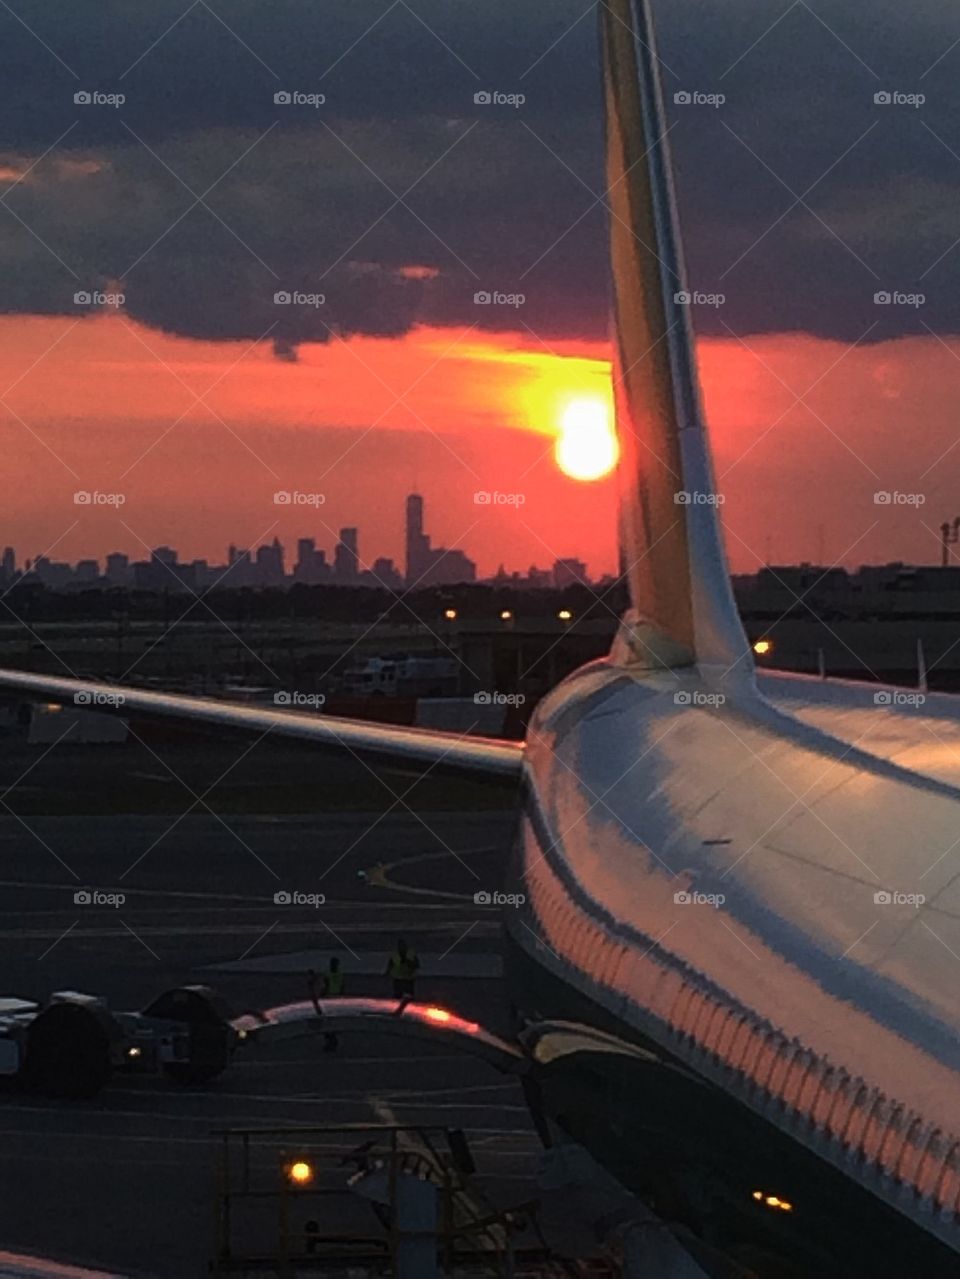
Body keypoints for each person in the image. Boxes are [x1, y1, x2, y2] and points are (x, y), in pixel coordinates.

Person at [320, 956, 344, 1053]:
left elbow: (325, 986)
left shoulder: (328, 974)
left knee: (328, 1021)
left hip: (330, 998)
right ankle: (332, 1039)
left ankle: (330, 1040)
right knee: (331, 1020)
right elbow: (342, 986)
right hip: (336, 998)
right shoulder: (339, 974)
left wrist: (321, 996)